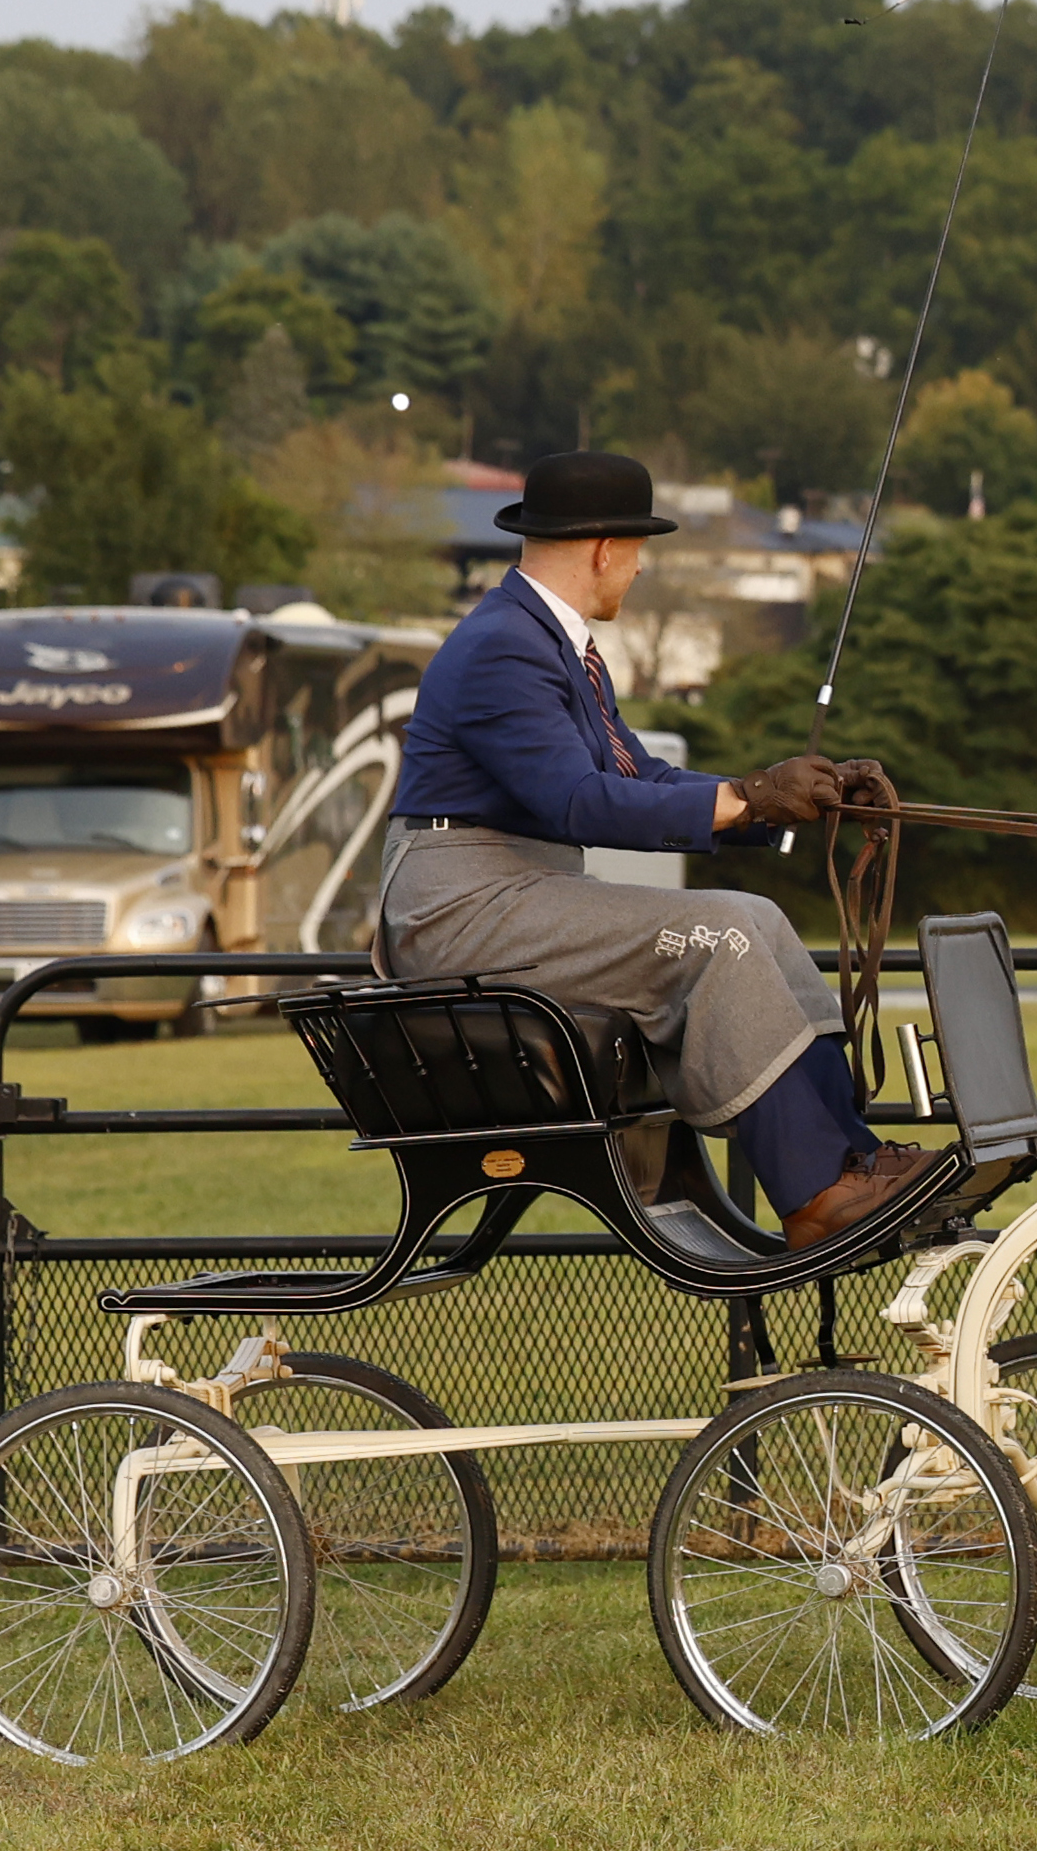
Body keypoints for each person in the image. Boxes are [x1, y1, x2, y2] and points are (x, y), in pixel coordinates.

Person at [380, 449, 934, 1251]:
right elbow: (578, 801)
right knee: (723, 935)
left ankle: (851, 1158)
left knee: (760, 919)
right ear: (604, 547)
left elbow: (642, 774)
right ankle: (816, 1191)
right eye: (637, 550)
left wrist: (781, 801)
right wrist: (749, 793)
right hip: (460, 904)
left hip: (522, 889)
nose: (638, 569)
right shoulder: (506, 645)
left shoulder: (552, 643)